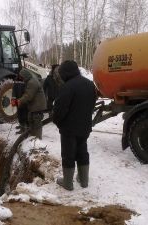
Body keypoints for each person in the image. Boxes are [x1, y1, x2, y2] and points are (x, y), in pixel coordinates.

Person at [52, 60, 97, 191]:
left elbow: (59, 110)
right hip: (85, 127)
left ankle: (67, 183)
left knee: (68, 154)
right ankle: (84, 181)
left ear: (66, 73)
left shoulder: (68, 87)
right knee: (82, 151)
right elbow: (92, 104)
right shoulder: (89, 84)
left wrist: (58, 122)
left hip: (69, 129)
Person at [11, 68, 47, 139]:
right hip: (35, 105)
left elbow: (28, 95)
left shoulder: (32, 82)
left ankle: (37, 138)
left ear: (25, 76)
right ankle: (33, 136)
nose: (21, 79)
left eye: (22, 77)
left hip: (37, 106)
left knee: (36, 122)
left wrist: (18, 101)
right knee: (31, 119)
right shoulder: (30, 81)